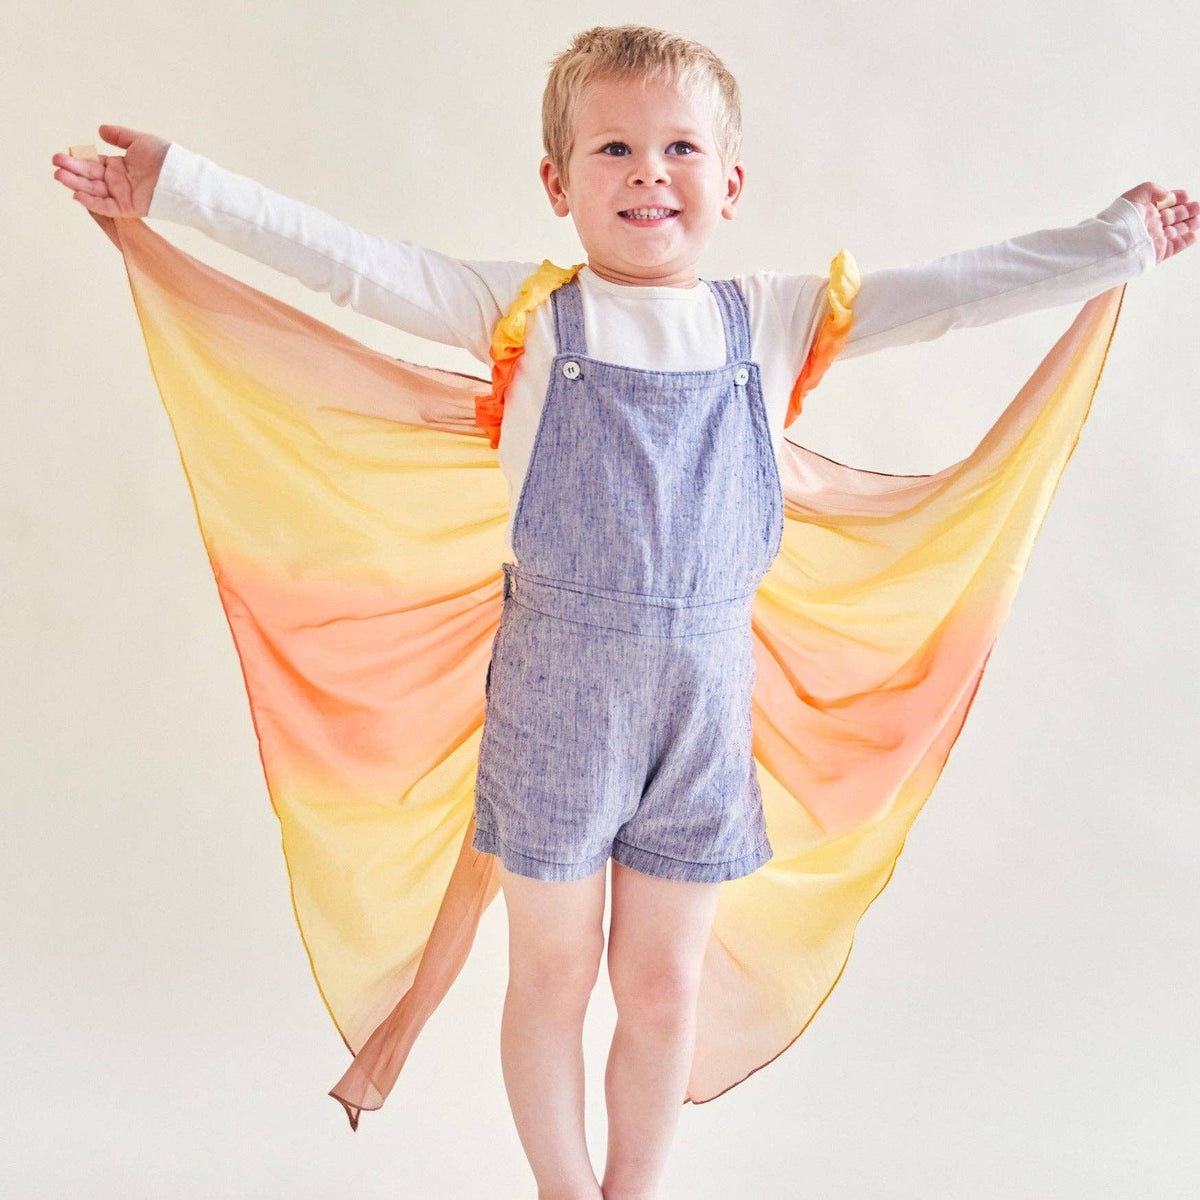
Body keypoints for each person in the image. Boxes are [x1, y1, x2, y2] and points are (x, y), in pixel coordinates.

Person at [51, 23, 1194, 1200]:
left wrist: (1117, 243)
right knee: (551, 974)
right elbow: (347, 261)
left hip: (704, 714)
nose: (650, 170)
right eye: (614, 147)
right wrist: (180, 185)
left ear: (731, 183)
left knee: (663, 987)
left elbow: (961, 292)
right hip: (558, 704)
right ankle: (564, 1191)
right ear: (558, 183)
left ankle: (634, 1192)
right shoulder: (528, 316)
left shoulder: (777, 320)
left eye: (681, 147)